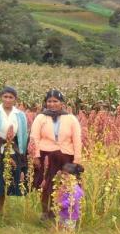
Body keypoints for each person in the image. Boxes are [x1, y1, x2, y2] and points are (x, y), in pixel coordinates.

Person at [30, 89, 83, 221]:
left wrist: (77, 160)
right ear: (45, 103)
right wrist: (35, 156)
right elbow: (34, 137)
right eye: (49, 101)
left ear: (62, 103)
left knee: (66, 185)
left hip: (66, 158)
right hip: (46, 156)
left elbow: (77, 139)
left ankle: (65, 214)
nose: (52, 104)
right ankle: (46, 213)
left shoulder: (71, 118)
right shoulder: (41, 117)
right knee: (46, 185)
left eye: (55, 101)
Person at [57, 163, 84, 231]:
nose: (63, 176)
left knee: (68, 231)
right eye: (63, 174)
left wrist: (61, 205)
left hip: (71, 215)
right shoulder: (66, 185)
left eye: (66, 174)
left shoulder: (76, 189)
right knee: (60, 229)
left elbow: (71, 201)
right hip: (63, 213)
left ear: (74, 176)